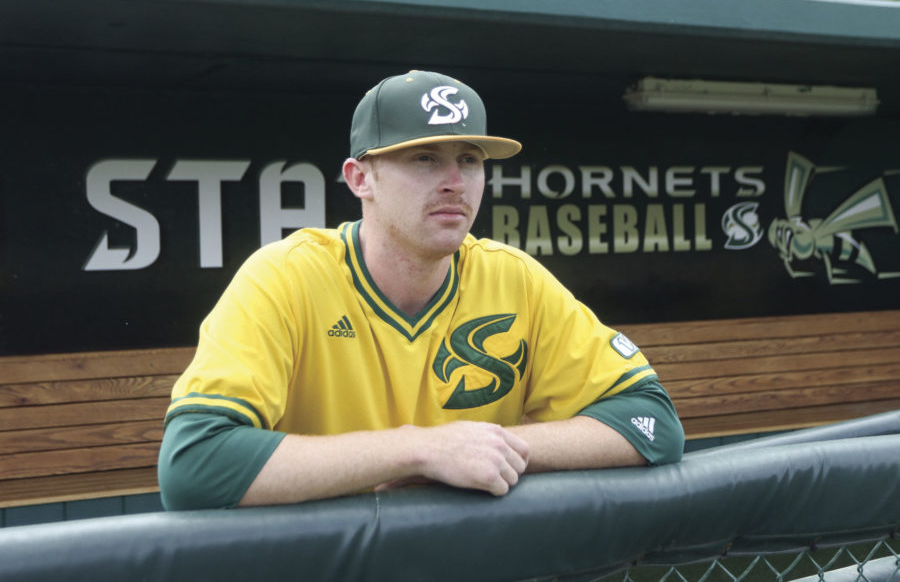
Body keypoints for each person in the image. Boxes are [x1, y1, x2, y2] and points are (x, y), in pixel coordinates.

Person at [157, 70, 684, 510]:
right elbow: (194, 465)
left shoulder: (512, 278)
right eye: (425, 158)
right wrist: (418, 451)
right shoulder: (285, 277)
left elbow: (652, 423)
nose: (455, 180)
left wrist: (483, 450)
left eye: (470, 159)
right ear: (360, 178)